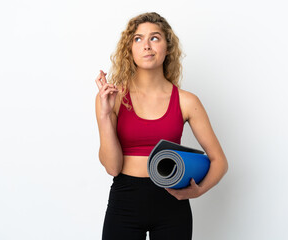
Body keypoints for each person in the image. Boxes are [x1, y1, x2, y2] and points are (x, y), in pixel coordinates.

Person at [95, 12, 228, 240]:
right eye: (138, 39)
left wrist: (197, 191)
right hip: (125, 200)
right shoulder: (112, 98)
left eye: (154, 38)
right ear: (130, 49)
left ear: (167, 47)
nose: (146, 45)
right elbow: (112, 168)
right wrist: (105, 115)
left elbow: (220, 161)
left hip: (172, 203)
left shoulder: (187, 101)